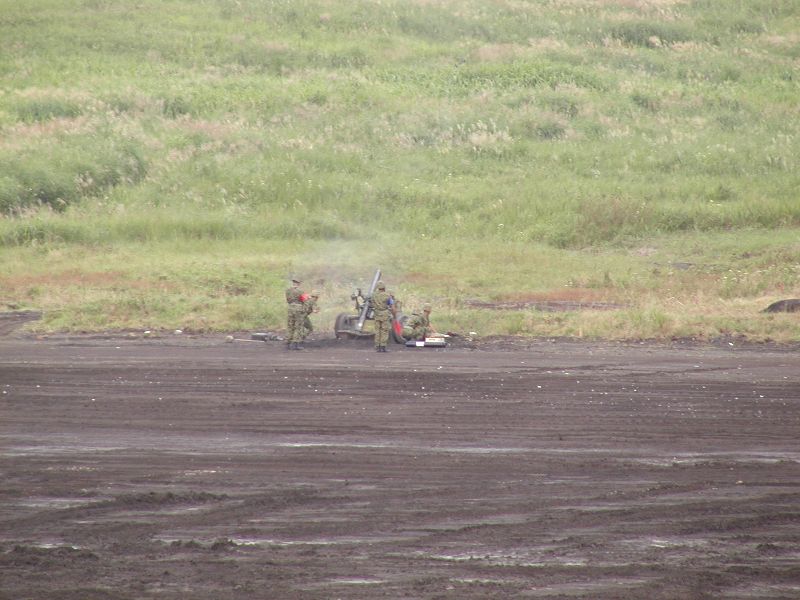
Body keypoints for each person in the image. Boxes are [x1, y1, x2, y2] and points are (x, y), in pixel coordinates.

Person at [371, 281, 394, 352]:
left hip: (376, 314)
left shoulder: (373, 295)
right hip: (385, 315)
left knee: (377, 330)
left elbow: (372, 303)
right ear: (384, 287)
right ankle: (383, 346)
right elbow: (391, 305)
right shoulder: (387, 295)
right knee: (384, 330)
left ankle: (377, 346)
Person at [285, 276, 307, 350]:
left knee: (290, 325)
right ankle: (296, 344)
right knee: (298, 326)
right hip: (298, 308)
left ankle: (288, 343)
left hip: (290, 308)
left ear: (293, 282)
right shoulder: (301, 291)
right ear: (299, 283)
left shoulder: (288, 290)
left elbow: (288, 300)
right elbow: (304, 301)